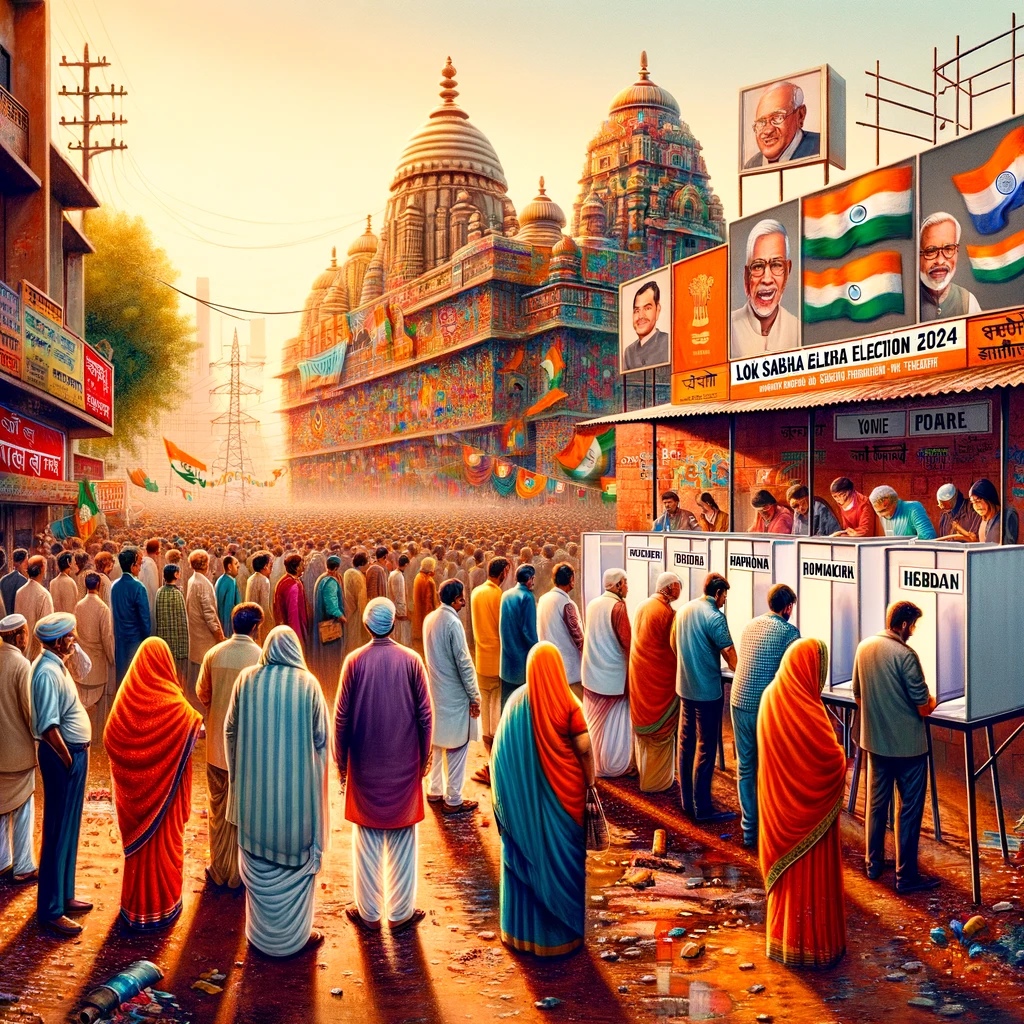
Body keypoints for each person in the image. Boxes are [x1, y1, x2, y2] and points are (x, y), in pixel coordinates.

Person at [225, 625, 330, 956]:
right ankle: (296, 938)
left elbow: (230, 731)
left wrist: (239, 773)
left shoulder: (245, 680)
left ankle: (259, 936)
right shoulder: (309, 685)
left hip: (254, 809)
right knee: (295, 867)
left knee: (257, 864)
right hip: (297, 811)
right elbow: (322, 740)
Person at [334, 598, 431, 933]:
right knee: (404, 837)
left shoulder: (354, 661)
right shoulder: (412, 660)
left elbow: (341, 718)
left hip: (364, 764)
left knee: (367, 839)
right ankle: (401, 912)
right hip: (405, 762)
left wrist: (341, 763)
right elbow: (425, 716)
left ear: (366, 625)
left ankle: (370, 913)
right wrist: (424, 756)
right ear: (393, 624)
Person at [491, 642, 593, 957]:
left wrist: (508, 797)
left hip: (519, 809)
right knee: (563, 866)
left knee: (523, 861)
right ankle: (560, 938)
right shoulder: (569, 702)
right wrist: (590, 783)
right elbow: (585, 749)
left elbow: (498, 755)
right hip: (566, 804)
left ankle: (519, 934)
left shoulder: (515, 703)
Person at [758, 638, 847, 967]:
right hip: (808, 816)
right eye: (818, 670)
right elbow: (829, 763)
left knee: (789, 885)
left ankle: (784, 941)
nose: (820, 679)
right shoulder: (807, 709)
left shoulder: (770, 698)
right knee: (813, 877)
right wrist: (842, 758)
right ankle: (816, 946)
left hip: (778, 815)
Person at [104, 637, 201, 930]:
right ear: (164, 663)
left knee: (141, 853)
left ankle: (135, 909)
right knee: (164, 848)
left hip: (135, 804)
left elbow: (110, 736)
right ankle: (163, 908)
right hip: (166, 799)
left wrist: (134, 776)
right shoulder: (174, 705)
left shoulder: (126, 699)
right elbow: (193, 728)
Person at [852, 601, 939, 893]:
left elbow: (858, 696)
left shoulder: (864, 647)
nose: (913, 631)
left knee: (876, 806)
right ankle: (905, 877)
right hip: (908, 749)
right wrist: (934, 699)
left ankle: (872, 865)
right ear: (903, 625)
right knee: (909, 811)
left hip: (875, 744)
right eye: (913, 625)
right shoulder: (906, 655)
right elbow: (924, 708)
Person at [30, 613, 93, 936]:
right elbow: (48, 726)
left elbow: (86, 668)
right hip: (61, 756)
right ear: (57, 641)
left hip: (71, 754)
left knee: (69, 828)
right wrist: (69, 759)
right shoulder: (45, 673)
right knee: (56, 832)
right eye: (71, 635)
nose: (75, 639)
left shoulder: (58, 664)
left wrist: (74, 647)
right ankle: (51, 909)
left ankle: (65, 895)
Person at [197, 603, 264, 891]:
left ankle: (219, 868)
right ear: (256, 627)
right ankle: (240, 873)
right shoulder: (260, 657)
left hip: (215, 748)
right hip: (248, 751)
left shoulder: (214, 653)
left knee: (218, 808)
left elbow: (203, 693)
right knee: (244, 811)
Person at [731, 584, 799, 849]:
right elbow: (791, 673)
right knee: (772, 767)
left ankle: (750, 831)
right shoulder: (789, 633)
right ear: (788, 607)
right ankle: (772, 829)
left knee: (746, 766)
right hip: (765, 707)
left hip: (739, 700)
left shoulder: (750, 625)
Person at [673, 573, 737, 824]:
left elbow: (673, 644)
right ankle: (703, 807)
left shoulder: (684, 610)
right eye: (724, 597)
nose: (724, 601)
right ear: (718, 593)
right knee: (706, 747)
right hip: (707, 691)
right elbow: (731, 655)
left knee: (685, 742)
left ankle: (686, 802)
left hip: (685, 687)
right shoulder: (715, 617)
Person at [423, 580, 481, 815]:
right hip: (455, 695)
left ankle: (435, 790)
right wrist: (474, 696)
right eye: (462, 597)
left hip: (436, 691)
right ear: (456, 599)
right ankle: (454, 799)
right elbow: (464, 663)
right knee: (457, 747)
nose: (464, 601)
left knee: (437, 741)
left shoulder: (431, 619)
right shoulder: (452, 623)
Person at [629, 573, 682, 793]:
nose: (680, 590)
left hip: (640, 679)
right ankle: (658, 783)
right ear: (669, 589)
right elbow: (674, 647)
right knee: (660, 733)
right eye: (678, 586)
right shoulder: (665, 612)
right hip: (658, 683)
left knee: (645, 737)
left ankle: (646, 773)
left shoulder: (643, 605)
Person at [580, 568, 633, 778]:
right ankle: (614, 766)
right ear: (618, 585)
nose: (628, 587)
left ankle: (595, 763)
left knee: (593, 723)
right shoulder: (618, 607)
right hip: (614, 677)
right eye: (625, 582)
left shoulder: (594, 603)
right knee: (616, 723)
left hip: (593, 673)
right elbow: (627, 642)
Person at [0, 614, 37, 885]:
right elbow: (30, 712)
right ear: (19, 636)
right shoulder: (21, 665)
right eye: (25, 633)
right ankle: (23, 865)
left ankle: (2, 861)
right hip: (19, 754)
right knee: (23, 808)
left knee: (0, 809)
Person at [730, 220, 799, 358]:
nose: (767, 279)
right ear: (746, 275)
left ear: (787, 271)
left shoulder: (798, 330)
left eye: (776, 265)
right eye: (757, 266)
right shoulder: (727, 330)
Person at [470, 556, 509, 786]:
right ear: (503, 572)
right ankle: (493, 766)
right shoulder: (498, 596)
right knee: (496, 715)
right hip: (497, 660)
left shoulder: (476, 593)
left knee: (486, 714)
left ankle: (488, 761)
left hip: (481, 659)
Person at [919, 212, 981, 321]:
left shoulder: (967, 301)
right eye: (931, 251)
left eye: (948, 249)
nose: (940, 261)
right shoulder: (909, 303)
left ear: (957, 252)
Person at [744, 80, 820, 168]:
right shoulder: (751, 165)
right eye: (761, 122)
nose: (768, 131)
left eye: (778, 117)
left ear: (800, 115)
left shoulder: (821, 147)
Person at [73, 574, 115, 730]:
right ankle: (96, 738)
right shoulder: (103, 608)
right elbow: (107, 637)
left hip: (81, 663)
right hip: (97, 663)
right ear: (98, 585)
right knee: (97, 708)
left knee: (82, 703)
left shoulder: (79, 605)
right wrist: (111, 658)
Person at [536, 562, 584, 700]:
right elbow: (579, 638)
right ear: (570, 579)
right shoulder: (567, 604)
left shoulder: (544, 599)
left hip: (550, 666)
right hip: (570, 671)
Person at [185, 550, 224, 706]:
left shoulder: (193, 580)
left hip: (195, 634)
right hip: (205, 637)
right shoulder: (202, 583)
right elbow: (209, 614)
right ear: (206, 564)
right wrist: (219, 635)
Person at [499, 564, 539, 710]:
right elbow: (529, 631)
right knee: (521, 706)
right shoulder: (527, 597)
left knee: (506, 704)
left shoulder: (506, 594)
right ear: (529, 579)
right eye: (533, 578)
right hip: (522, 662)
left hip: (506, 661)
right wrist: (538, 649)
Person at [110, 547, 152, 685]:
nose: (140, 568)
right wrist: (147, 639)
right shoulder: (138, 587)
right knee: (136, 677)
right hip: (136, 638)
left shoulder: (114, 586)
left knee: (121, 676)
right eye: (139, 564)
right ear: (132, 566)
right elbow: (145, 618)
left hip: (120, 637)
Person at [310, 556, 346, 687]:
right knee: (331, 656)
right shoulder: (330, 582)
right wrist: (341, 616)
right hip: (330, 624)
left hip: (322, 621)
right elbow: (331, 605)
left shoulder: (322, 578)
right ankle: (331, 682)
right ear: (336, 568)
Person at [621, 279, 669, 371]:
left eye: (647, 308)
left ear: (657, 310)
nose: (641, 316)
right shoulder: (629, 352)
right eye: (637, 311)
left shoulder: (668, 343)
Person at [155, 563, 189, 685]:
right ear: (175, 575)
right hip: (177, 642)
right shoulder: (177, 594)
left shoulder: (159, 592)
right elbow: (182, 621)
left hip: (164, 639)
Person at [15, 555, 54, 662]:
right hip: (37, 654)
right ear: (42, 569)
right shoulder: (44, 594)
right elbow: (47, 628)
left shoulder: (20, 592)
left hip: (21, 652)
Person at [869, 485, 937, 539]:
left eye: (883, 511)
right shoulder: (883, 516)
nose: (880, 515)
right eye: (877, 512)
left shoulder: (913, 509)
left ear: (893, 503)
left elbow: (928, 538)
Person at [968, 478, 1019, 544]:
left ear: (989, 499)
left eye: (978, 501)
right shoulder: (982, 519)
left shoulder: (1007, 516)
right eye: (973, 502)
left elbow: (1008, 549)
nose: (976, 506)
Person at [273, 552, 308, 642]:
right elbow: (293, 614)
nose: (303, 568)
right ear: (296, 568)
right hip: (293, 630)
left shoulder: (284, 580)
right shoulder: (292, 585)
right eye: (301, 565)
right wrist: (296, 637)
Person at [343, 552, 370, 657]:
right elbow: (361, 599)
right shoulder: (357, 576)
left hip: (349, 609)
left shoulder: (349, 572)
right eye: (367, 563)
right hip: (356, 612)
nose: (369, 565)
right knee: (356, 638)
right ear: (362, 563)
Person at [411, 555, 439, 645]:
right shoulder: (428, 580)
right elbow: (429, 601)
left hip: (418, 612)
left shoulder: (418, 577)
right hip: (427, 613)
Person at [245, 551, 274, 629]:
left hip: (250, 618)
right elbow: (265, 606)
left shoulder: (251, 579)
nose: (272, 570)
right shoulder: (264, 580)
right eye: (270, 566)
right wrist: (270, 622)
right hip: (260, 619)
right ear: (265, 566)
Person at [388, 553, 412, 647]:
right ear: (405, 564)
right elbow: (400, 595)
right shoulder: (399, 576)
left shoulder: (393, 573)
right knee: (402, 633)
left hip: (394, 606)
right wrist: (403, 612)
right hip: (399, 608)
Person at [215, 555, 241, 639]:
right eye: (236, 563)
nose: (238, 566)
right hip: (226, 624)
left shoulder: (230, 580)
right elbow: (224, 607)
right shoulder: (227, 582)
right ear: (229, 567)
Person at [0, 549, 29, 619]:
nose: (27, 565)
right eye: (26, 561)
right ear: (20, 562)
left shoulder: (3, 579)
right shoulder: (24, 581)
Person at [139, 539, 161, 623]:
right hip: (149, 601)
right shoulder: (150, 564)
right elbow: (154, 587)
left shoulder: (142, 561)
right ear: (157, 551)